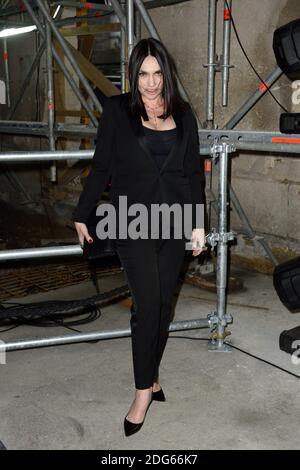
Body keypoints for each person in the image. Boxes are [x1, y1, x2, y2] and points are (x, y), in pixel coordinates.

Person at [72, 38, 206, 437]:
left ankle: (153, 373)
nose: (150, 83)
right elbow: (101, 165)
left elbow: (192, 174)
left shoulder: (183, 113)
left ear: (167, 73)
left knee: (164, 304)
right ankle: (142, 391)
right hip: (132, 221)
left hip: (175, 220)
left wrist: (198, 223)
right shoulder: (117, 111)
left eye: (157, 73)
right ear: (133, 75)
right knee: (147, 305)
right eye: (142, 74)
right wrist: (82, 212)